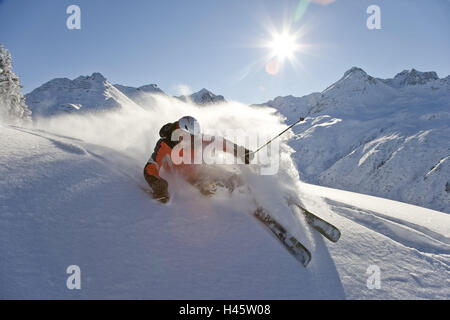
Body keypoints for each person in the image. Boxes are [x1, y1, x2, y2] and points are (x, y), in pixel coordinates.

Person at [143, 116, 253, 203]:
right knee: (210, 187)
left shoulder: (195, 138)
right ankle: (232, 198)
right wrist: (158, 184)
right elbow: (150, 167)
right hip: (193, 178)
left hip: (202, 168)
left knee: (232, 177)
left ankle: (249, 197)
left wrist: (240, 151)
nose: (193, 140)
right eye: (190, 137)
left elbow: (219, 142)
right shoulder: (165, 145)